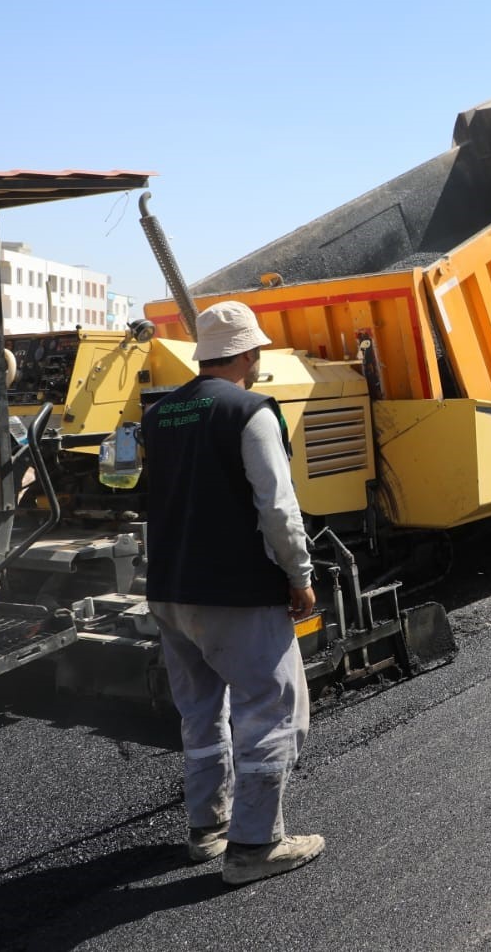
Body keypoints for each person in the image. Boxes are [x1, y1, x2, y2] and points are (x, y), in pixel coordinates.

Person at [143, 300, 326, 887]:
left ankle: (207, 829)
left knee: (201, 713)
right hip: (237, 592)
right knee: (272, 713)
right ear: (249, 354)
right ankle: (254, 846)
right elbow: (276, 505)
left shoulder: (161, 414)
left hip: (170, 588)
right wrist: (299, 576)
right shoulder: (251, 411)